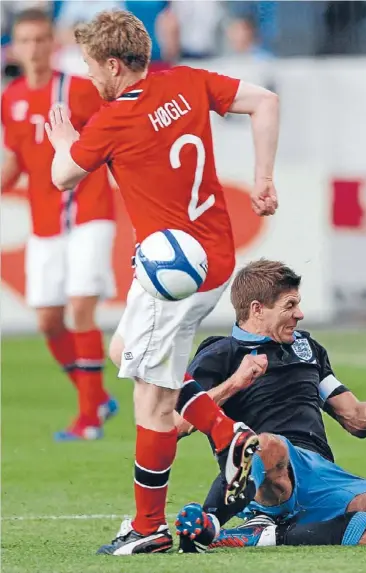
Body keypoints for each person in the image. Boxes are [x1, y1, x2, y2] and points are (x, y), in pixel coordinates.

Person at [44, 9, 279, 556]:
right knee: (124, 348)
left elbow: (61, 176)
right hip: (213, 256)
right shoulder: (187, 80)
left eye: (88, 65)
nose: (87, 76)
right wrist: (264, 178)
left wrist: (62, 139)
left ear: (111, 64)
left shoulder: (111, 119)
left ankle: (147, 527)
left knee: (151, 403)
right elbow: (265, 101)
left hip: (174, 274)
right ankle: (227, 435)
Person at [175, 259, 366, 551]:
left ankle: (270, 536)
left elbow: (357, 419)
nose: (300, 314)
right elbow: (178, 424)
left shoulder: (307, 349)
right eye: (290, 305)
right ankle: (210, 525)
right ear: (257, 309)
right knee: (268, 444)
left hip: (319, 474)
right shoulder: (221, 353)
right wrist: (235, 382)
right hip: (263, 472)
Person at [1, 8, 117, 441]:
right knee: (49, 320)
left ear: (53, 44)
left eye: (40, 40)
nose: (33, 48)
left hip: (88, 211)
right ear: (14, 47)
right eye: (25, 41)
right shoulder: (10, 97)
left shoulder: (78, 91)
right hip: (44, 221)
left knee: (80, 309)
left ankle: (89, 419)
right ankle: (98, 399)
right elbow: (15, 158)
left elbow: (113, 132)